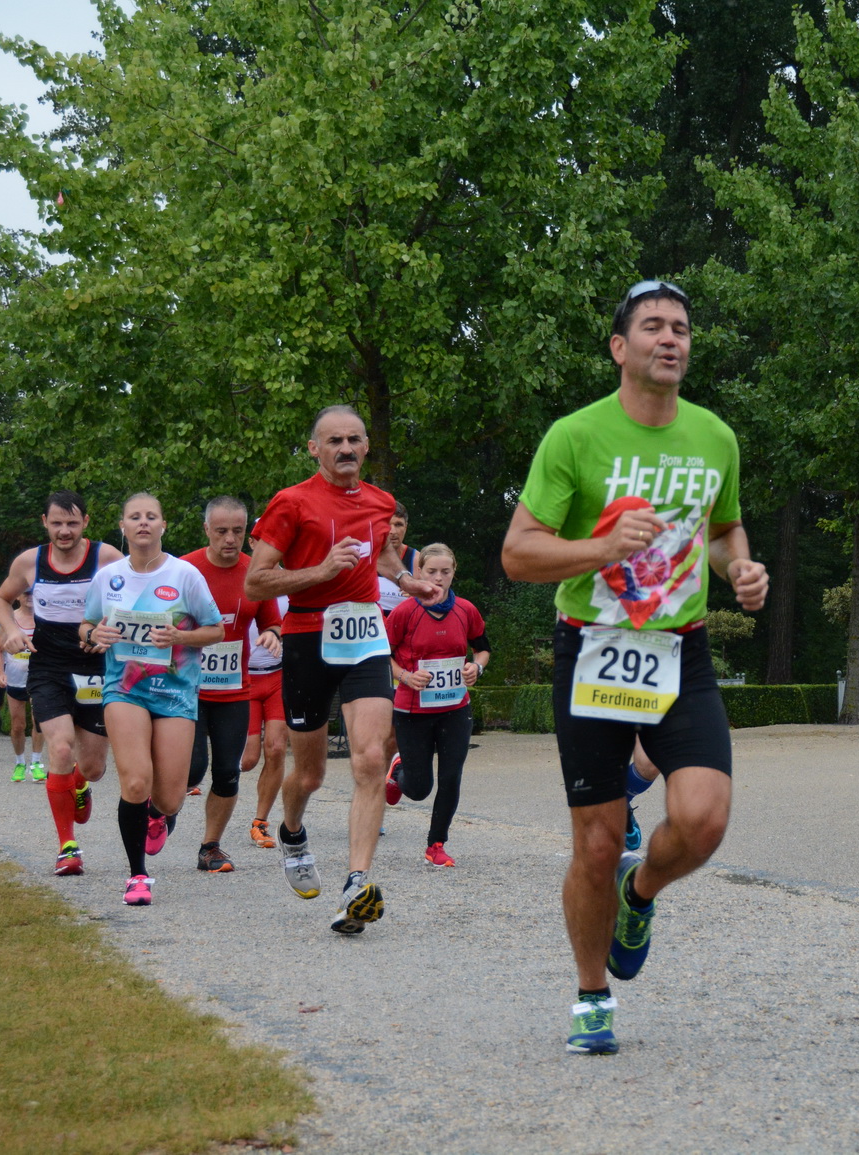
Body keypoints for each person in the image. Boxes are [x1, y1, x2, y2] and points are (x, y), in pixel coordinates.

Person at [501, 279, 768, 1054]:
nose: (670, 338)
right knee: (595, 835)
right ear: (620, 348)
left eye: (681, 327)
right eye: (652, 326)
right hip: (591, 643)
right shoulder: (576, 437)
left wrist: (741, 568)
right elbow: (518, 554)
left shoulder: (715, 437)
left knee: (704, 819)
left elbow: (726, 529)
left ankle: (638, 889)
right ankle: (592, 994)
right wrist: (598, 549)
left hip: (678, 648)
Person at [244, 405, 438, 934]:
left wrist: (409, 580)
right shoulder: (291, 503)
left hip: (365, 640)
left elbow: (383, 557)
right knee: (310, 774)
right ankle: (291, 830)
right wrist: (321, 570)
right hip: (308, 639)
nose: (345, 449)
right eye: (334, 441)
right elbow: (256, 583)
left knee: (372, 757)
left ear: (367, 446)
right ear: (315, 448)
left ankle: (357, 882)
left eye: (354, 439)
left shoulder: (381, 502)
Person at [82, 493, 224, 905]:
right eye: (134, 517)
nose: (143, 523)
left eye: (151, 517)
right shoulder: (108, 577)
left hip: (176, 692)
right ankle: (137, 876)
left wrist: (181, 636)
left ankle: (159, 817)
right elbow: (87, 625)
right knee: (136, 781)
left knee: (169, 797)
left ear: (163, 526)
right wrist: (94, 635)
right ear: (122, 528)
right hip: (124, 689)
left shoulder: (185, 576)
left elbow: (215, 631)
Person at [0, 491, 125, 877]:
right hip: (48, 667)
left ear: (85, 522)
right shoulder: (30, 561)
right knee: (61, 749)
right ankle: (68, 847)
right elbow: (0, 600)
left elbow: (140, 594)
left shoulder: (107, 559)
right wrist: (12, 628)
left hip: (96, 666)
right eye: (56, 523)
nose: (64, 531)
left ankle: (79, 784)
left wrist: (112, 630)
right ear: (44, 522)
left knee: (95, 767)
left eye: (72, 523)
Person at [182, 497, 284, 873]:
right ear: (207, 529)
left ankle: (211, 847)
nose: (230, 539)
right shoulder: (184, 569)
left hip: (233, 690)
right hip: (187, 690)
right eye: (221, 531)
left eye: (238, 532)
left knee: (228, 771)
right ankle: (160, 811)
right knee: (190, 770)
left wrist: (273, 635)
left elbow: (273, 620)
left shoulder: (255, 572)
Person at [385, 543, 490, 867]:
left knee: (451, 776)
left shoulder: (466, 610)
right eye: (432, 571)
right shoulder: (405, 612)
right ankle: (399, 769)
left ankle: (436, 843)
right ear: (419, 574)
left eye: (445, 572)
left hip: (455, 707)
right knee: (418, 789)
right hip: (412, 710)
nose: (439, 578)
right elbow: (380, 654)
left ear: (454, 572)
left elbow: (482, 648)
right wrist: (404, 676)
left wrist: (477, 667)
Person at [241, 592, 290, 850]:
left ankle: (260, 822)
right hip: (243, 679)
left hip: (278, 678)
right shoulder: (242, 580)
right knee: (247, 760)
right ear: (252, 547)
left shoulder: (290, 582)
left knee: (276, 748)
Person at [376, 502, 419, 793]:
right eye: (387, 525)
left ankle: (391, 773)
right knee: (380, 729)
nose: (393, 531)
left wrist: (414, 591)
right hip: (377, 643)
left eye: (399, 525)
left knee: (396, 729)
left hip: (407, 646)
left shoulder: (416, 558)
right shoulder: (371, 557)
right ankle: (375, 791)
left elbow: (434, 597)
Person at [0, 600, 44, 780]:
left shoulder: (44, 617)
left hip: (38, 679)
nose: (29, 597)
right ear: (18, 596)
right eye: (25, 593)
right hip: (15, 680)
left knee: (38, 722)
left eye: (32, 593)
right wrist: (1, 673)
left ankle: (36, 763)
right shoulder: (10, 619)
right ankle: (19, 763)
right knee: (17, 726)